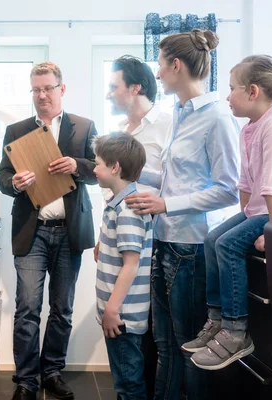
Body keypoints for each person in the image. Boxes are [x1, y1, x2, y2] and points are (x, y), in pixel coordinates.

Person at [183, 55, 272, 370]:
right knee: (213, 240)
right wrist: (247, 222)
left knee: (227, 244)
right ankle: (217, 319)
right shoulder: (248, 129)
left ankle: (236, 332)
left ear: (253, 91)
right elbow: (246, 184)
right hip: (270, 208)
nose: (227, 96)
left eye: (232, 89)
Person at [124, 30, 240, 400]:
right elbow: (174, 180)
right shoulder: (179, 113)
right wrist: (127, 168)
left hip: (191, 248)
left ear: (176, 65)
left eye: (160, 65)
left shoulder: (218, 116)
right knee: (165, 346)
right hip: (166, 240)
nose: (156, 74)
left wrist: (165, 204)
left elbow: (228, 189)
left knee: (190, 348)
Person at [0, 62, 98, 400]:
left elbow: (100, 170)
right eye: (36, 90)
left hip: (69, 231)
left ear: (61, 89)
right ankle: (26, 379)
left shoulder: (84, 128)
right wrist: (14, 182)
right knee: (27, 308)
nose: (41, 95)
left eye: (47, 89)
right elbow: (1, 178)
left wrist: (77, 165)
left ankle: (52, 372)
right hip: (32, 231)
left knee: (62, 309)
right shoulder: (16, 130)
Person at [93, 133, 153, 400]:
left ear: (114, 167)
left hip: (122, 317)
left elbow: (131, 264)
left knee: (129, 385)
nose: (93, 169)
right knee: (125, 382)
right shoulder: (118, 204)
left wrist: (112, 309)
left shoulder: (127, 209)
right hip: (120, 316)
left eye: (97, 164)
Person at [106, 55, 171, 196]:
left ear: (135, 88)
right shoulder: (117, 132)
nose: (108, 95)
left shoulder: (170, 127)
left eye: (113, 88)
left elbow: (177, 183)